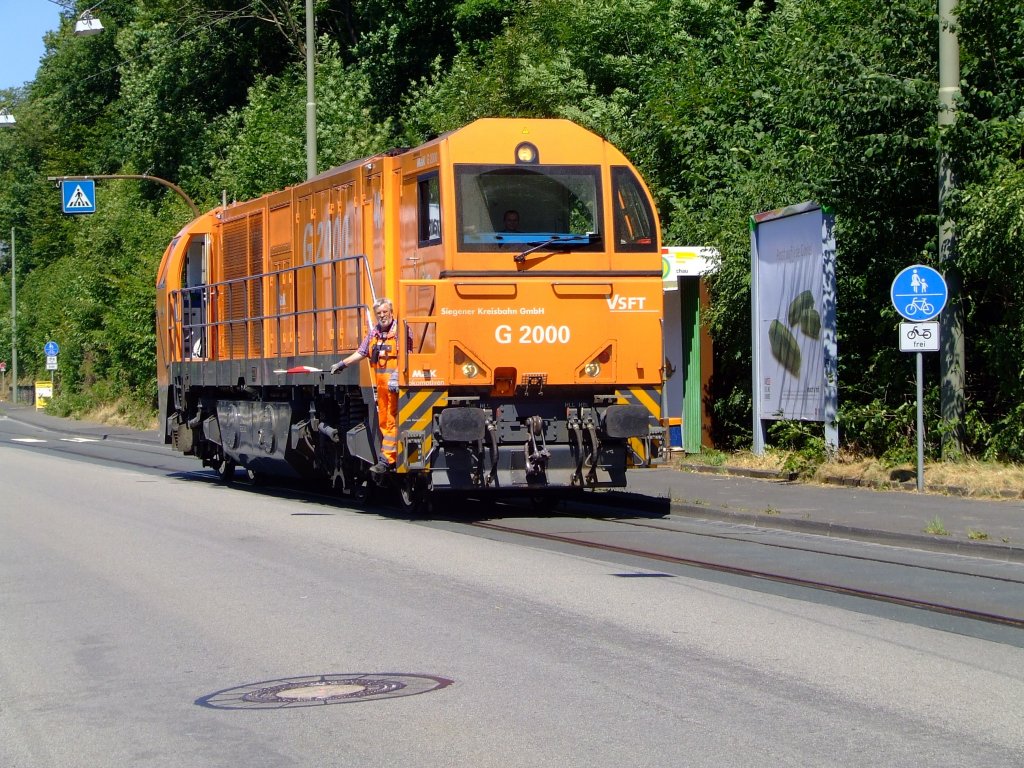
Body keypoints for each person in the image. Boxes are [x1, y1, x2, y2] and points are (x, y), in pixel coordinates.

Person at [330, 297, 406, 474]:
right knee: (384, 422)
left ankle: (387, 459)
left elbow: (408, 356)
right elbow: (362, 352)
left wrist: (397, 376)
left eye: (385, 312)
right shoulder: (374, 334)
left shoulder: (401, 332)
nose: (382, 316)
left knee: (392, 421)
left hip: (396, 387)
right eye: (379, 313)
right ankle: (386, 457)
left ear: (391, 312)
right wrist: (342, 364)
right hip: (382, 389)